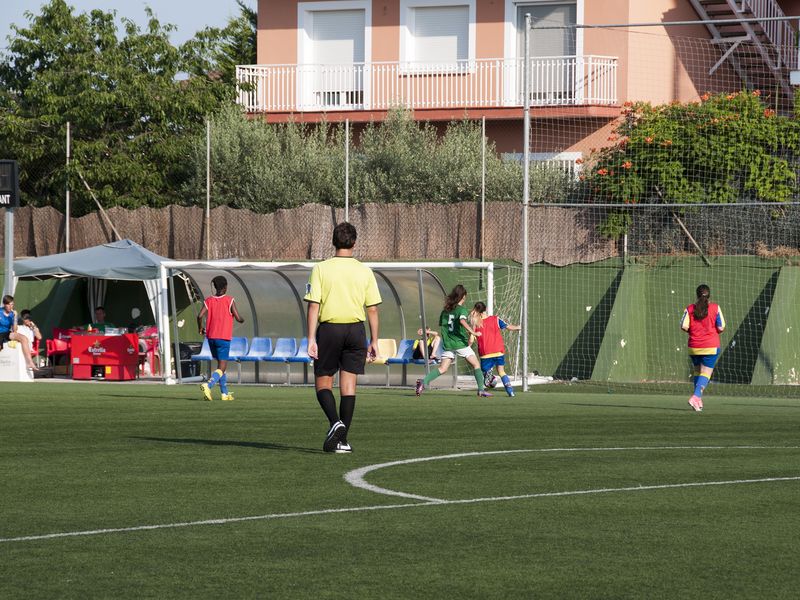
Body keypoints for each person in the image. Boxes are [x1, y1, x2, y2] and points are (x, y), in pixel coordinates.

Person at [304, 222, 381, 454]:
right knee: (349, 386)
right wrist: (374, 340)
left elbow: (314, 305)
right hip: (356, 330)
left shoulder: (321, 269)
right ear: (354, 242)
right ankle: (342, 441)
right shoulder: (364, 271)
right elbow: (372, 309)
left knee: (322, 383)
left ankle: (335, 422)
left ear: (333, 241)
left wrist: (311, 339)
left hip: (330, 329)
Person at [415, 285, 491, 398]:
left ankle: (423, 382)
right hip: (459, 343)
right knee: (476, 364)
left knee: (443, 368)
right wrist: (473, 332)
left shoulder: (445, 311)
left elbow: (444, 326)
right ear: (463, 296)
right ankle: (481, 390)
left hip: (448, 344)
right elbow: (462, 321)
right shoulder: (461, 310)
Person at [197, 276, 244, 401]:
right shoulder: (229, 300)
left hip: (211, 338)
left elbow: (199, 316)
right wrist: (242, 319)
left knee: (220, 366)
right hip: (223, 338)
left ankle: (224, 394)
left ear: (215, 287)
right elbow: (238, 318)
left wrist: (200, 328)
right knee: (222, 366)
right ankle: (208, 385)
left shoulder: (209, 300)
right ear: (225, 287)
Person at [681, 284, 725, 412]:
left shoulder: (689, 308)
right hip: (710, 346)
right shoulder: (715, 307)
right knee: (706, 373)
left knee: (697, 371)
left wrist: (694, 332)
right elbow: (721, 327)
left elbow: (684, 326)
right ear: (709, 295)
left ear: (697, 295)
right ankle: (696, 396)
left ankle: (698, 400)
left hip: (694, 346)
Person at [469, 301, 521, 397]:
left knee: (486, 379)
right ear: (485, 309)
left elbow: (471, 340)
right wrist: (518, 327)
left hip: (485, 353)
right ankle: (510, 392)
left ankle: (489, 378)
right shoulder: (495, 319)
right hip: (498, 351)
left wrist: (467, 347)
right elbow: (508, 327)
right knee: (501, 371)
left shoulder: (475, 323)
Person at [0, 295, 39, 373]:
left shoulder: (12, 314)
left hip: (7, 333)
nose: (11, 306)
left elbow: (15, 330)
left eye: (12, 304)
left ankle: (29, 362)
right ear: (4, 304)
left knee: (24, 339)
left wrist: (15, 318)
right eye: (9, 304)